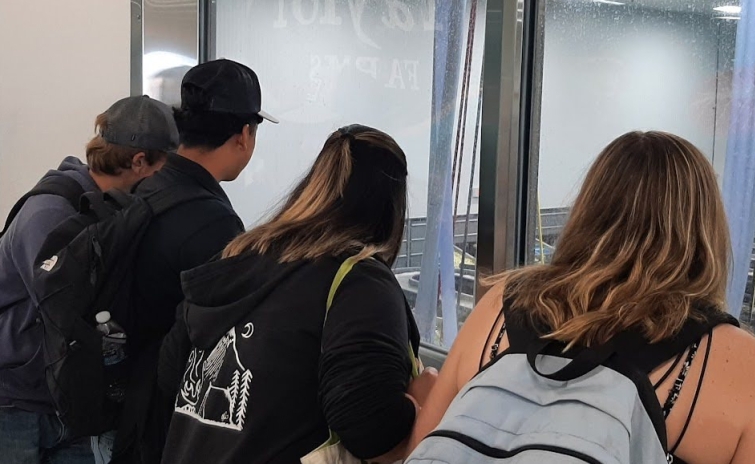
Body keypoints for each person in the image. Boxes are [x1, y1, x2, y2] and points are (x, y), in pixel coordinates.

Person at [410, 131, 755, 464]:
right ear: (705, 230)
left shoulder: (502, 305)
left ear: (587, 210)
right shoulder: (734, 361)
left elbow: (423, 444)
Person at [157, 125, 436, 464]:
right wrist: (422, 401)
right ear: (392, 204)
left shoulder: (236, 257)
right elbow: (372, 432)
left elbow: (171, 372)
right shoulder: (358, 281)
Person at [112, 59, 275, 464]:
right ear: (244, 135)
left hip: (120, 397)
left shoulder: (148, 184)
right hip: (162, 420)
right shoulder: (214, 224)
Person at [0, 96, 179, 464]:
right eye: (166, 165)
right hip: (17, 403)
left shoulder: (109, 208)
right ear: (139, 162)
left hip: (69, 405)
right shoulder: (50, 213)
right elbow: (66, 311)